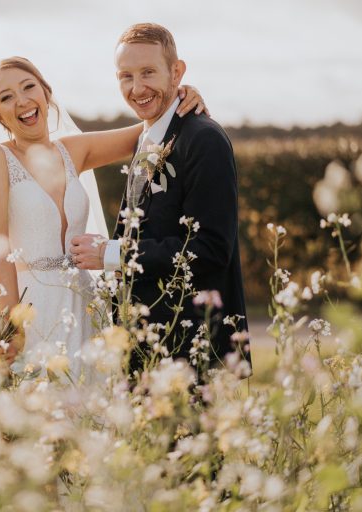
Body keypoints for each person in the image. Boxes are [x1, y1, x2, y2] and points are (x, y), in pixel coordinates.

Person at [0, 56, 207, 377]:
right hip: (32, 309)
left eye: (29, 87)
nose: (22, 101)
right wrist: (11, 327)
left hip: (85, 304)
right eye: (6, 97)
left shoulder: (72, 150)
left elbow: (150, 131)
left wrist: (182, 97)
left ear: (45, 92)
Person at [70, 23, 250, 377]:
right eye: (126, 76)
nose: (137, 88)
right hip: (150, 348)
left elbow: (212, 247)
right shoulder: (148, 135)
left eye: (148, 72)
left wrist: (112, 253)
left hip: (191, 351)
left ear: (177, 72)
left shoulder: (203, 139)